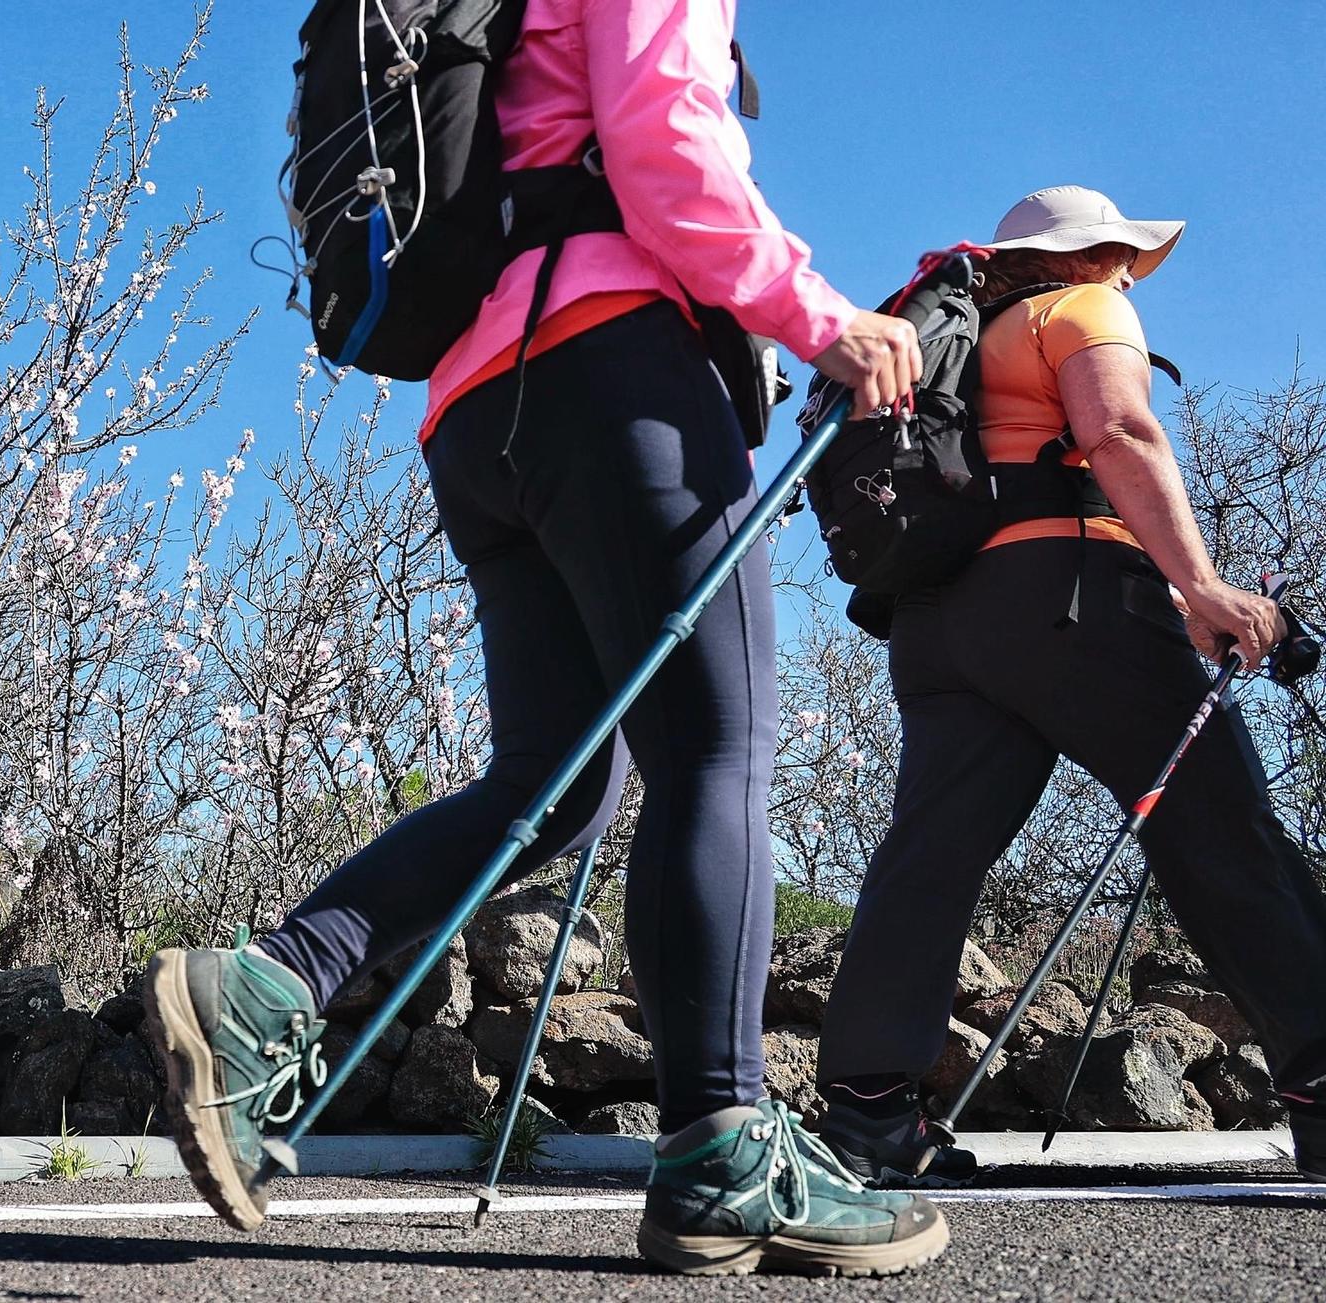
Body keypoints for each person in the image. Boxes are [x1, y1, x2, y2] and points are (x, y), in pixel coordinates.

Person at [145, 0, 952, 1277]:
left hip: (473, 404)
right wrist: (820, 318)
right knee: (715, 748)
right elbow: (664, 146)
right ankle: (719, 1146)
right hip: (609, 363)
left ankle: (266, 986)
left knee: (555, 783)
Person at [814, 185, 1326, 1187]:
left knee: (929, 853)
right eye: (1124, 260)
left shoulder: (949, 344)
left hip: (935, 619)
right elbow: (1119, 432)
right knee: (1220, 828)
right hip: (1074, 597)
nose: (1131, 276)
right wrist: (1200, 585)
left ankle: (869, 1111)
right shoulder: (1080, 306)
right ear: (1097, 253)